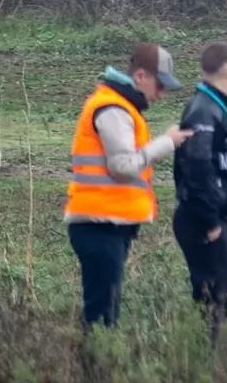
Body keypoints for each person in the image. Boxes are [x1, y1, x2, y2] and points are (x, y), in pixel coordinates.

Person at [63, 42, 193, 331]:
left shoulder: (121, 107)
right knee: (101, 320)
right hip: (99, 225)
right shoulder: (113, 109)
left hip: (106, 225)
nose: (161, 94)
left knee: (104, 314)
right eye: (160, 85)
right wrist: (167, 143)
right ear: (141, 77)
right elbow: (123, 167)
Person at [172, 41, 227, 346]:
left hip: (224, 217)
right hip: (207, 222)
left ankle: (217, 358)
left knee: (223, 297)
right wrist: (211, 222)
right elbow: (197, 167)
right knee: (212, 299)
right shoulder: (202, 111)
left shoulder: (216, 106)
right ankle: (205, 360)